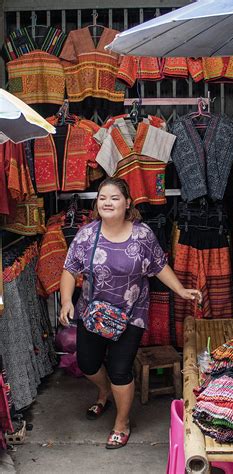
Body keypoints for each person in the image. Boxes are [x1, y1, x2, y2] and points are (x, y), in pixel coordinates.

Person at [59, 177, 202, 449]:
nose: (108, 202)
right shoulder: (87, 235)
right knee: (88, 364)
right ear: (96, 203)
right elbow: (70, 269)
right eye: (102, 198)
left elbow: (159, 265)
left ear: (127, 203)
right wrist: (66, 300)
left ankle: (121, 423)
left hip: (131, 313)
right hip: (93, 312)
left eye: (114, 197)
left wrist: (181, 290)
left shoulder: (142, 234)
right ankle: (104, 392)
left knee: (120, 370)